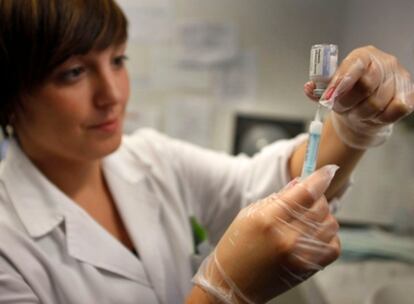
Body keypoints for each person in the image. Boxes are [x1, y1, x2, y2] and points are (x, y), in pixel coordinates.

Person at [0, 1, 412, 303]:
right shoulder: (7, 245)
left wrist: (353, 125)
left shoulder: (151, 158)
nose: (113, 94)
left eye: (118, 60)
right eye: (73, 72)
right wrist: (223, 293)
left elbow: (268, 183)